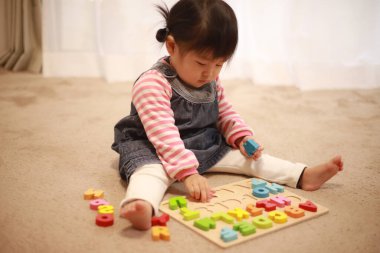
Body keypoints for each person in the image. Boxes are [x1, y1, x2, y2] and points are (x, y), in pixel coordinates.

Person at [111, 0, 343, 231]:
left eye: (219, 64)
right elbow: (162, 133)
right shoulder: (152, 84)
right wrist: (188, 174)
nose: (209, 73)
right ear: (172, 47)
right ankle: (142, 204)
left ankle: (302, 175)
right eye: (201, 62)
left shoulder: (209, 79)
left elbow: (223, 111)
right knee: (149, 173)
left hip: (203, 143)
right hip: (155, 148)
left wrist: (241, 137)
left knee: (250, 160)